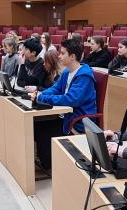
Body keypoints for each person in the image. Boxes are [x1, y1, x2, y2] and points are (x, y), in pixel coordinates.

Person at [31, 38, 97, 170]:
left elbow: (71, 99)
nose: (59, 56)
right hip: (65, 115)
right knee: (36, 124)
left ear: (72, 57)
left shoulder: (84, 75)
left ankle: (49, 165)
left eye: (62, 53)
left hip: (77, 120)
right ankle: (47, 160)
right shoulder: (67, 71)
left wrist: (43, 98)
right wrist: (40, 94)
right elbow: (55, 89)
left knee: (43, 130)